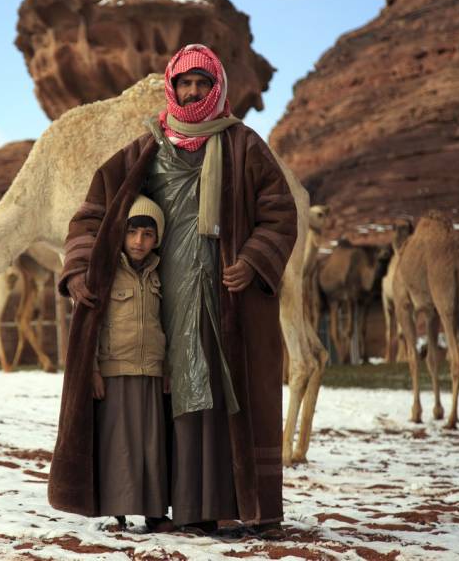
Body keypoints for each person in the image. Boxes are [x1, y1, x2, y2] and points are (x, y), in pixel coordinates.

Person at [48, 44, 297, 539]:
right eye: (185, 82)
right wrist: (80, 268)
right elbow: (94, 209)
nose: (193, 91)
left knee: (220, 396)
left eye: (203, 83)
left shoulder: (243, 144)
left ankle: (227, 505)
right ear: (172, 87)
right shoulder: (148, 148)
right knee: (163, 397)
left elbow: (280, 212)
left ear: (217, 88)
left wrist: (250, 261)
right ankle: (166, 504)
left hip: (225, 299)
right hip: (161, 298)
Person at [90, 195, 172, 532]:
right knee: (118, 445)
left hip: (151, 370)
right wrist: (93, 369)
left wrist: (167, 367)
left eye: (148, 235)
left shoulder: (160, 274)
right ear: (121, 235)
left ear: (158, 239)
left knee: (151, 445)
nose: (139, 242)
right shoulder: (106, 271)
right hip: (115, 369)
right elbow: (89, 325)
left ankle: (154, 512)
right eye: (133, 233)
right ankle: (115, 512)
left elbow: (167, 323)